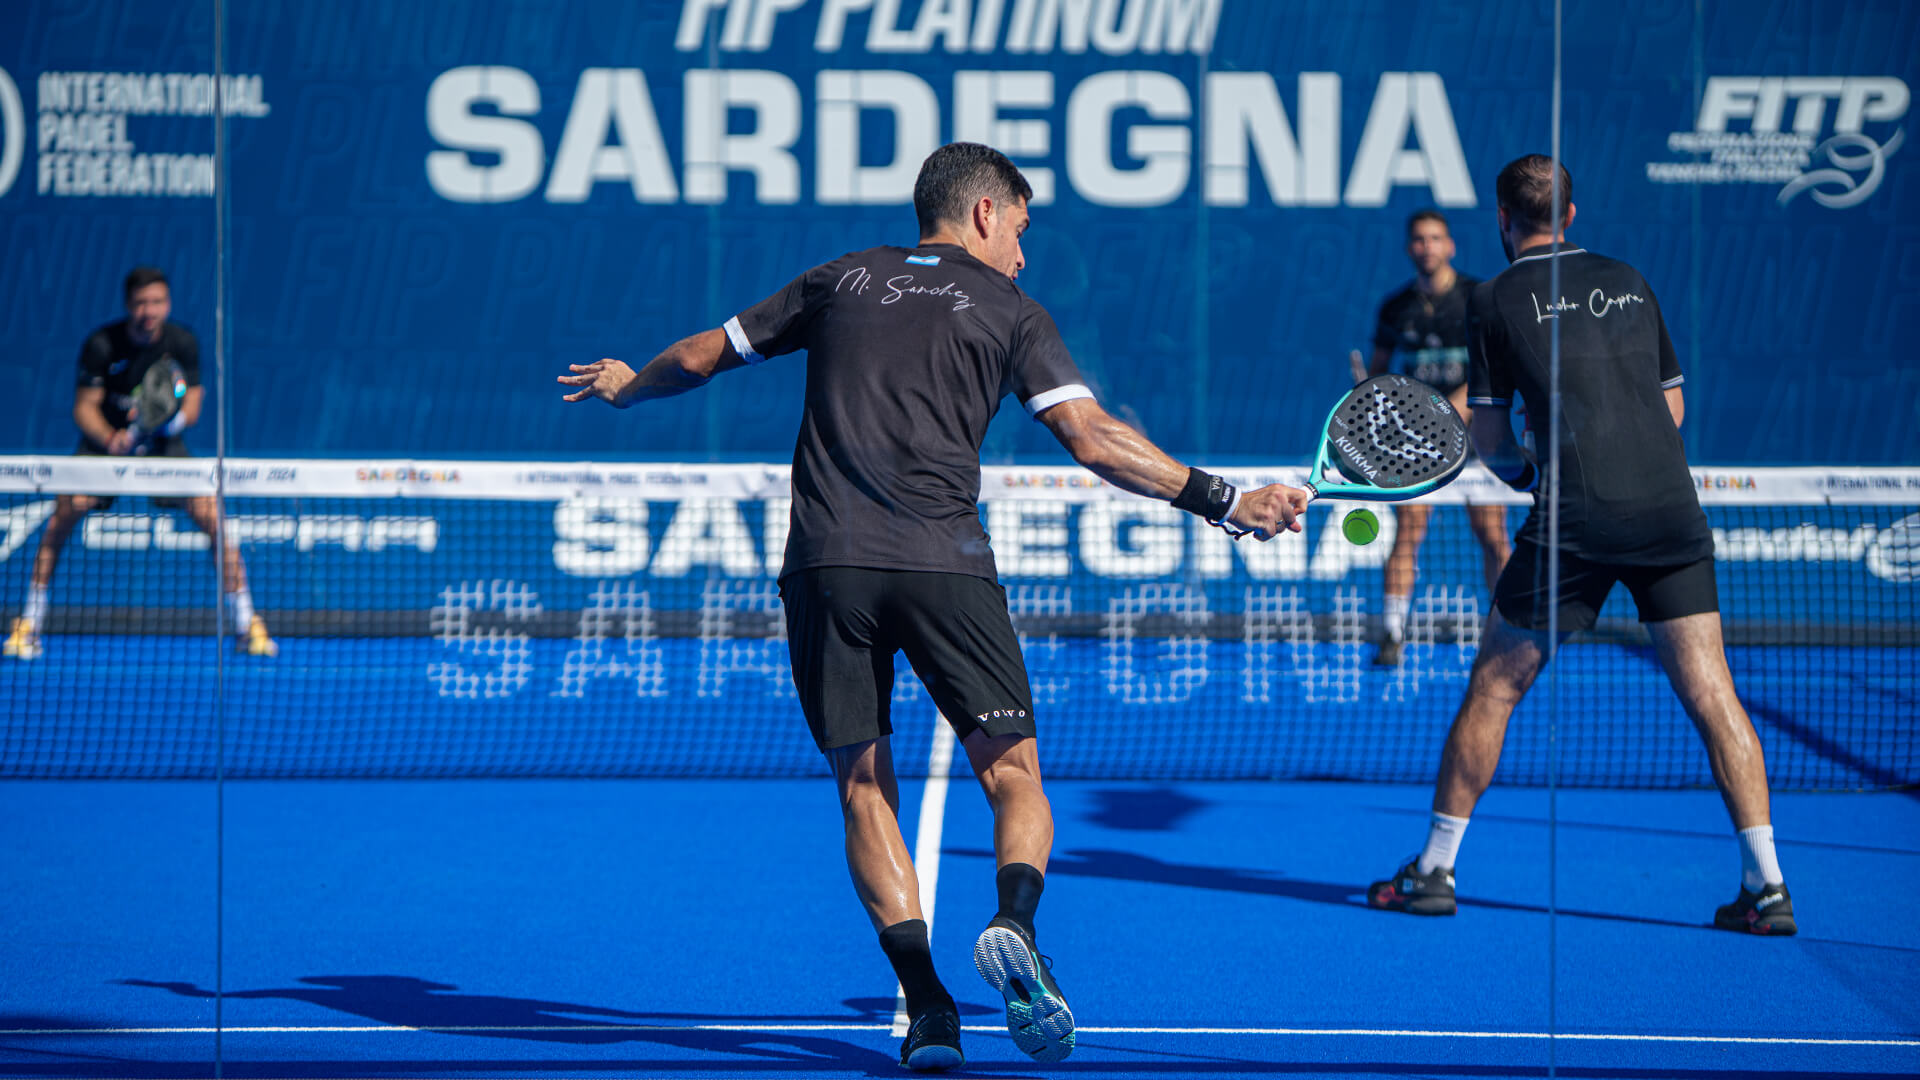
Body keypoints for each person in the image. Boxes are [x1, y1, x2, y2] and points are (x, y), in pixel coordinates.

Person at [560, 142, 1310, 1068]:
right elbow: (1091, 438)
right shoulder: (1011, 310)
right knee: (1015, 775)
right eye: (1021, 231)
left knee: (863, 785)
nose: (1023, 255)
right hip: (943, 566)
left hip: (826, 567)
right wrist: (1226, 500)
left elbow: (697, 357)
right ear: (985, 212)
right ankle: (1015, 924)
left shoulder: (838, 279)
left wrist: (629, 386)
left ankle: (927, 1012)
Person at [1365, 156, 1793, 935]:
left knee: (1493, 690)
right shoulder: (1630, 279)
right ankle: (1767, 887)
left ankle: (1433, 870)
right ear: (1569, 214)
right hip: (1671, 513)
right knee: (1714, 694)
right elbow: (1672, 412)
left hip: (1576, 522)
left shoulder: (1493, 298)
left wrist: (1531, 470)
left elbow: (1488, 441)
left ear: (1503, 219)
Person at [3, 267, 277, 662]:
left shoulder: (182, 343)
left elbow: (191, 407)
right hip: (104, 448)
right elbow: (84, 408)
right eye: (141, 303)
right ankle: (29, 622)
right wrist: (111, 437)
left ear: (168, 304)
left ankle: (247, 622)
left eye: (157, 302)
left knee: (213, 518)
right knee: (64, 514)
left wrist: (162, 423)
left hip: (164, 448)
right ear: (129, 305)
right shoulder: (102, 344)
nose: (149, 311)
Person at [1362, 209, 1510, 666]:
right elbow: (1378, 373)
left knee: (1492, 535)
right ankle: (1392, 634)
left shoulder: (1477, 299)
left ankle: (1507, 631)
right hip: (1417, 443)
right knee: (1408, 531)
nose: (1427, 247)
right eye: (1419, 239)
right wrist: (1381, 408)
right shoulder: (1395, 308)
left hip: (1478, 438)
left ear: (1450, 246)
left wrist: (1447, 414)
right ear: (1411, 248)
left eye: (1435, 238)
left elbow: (1493, 370)